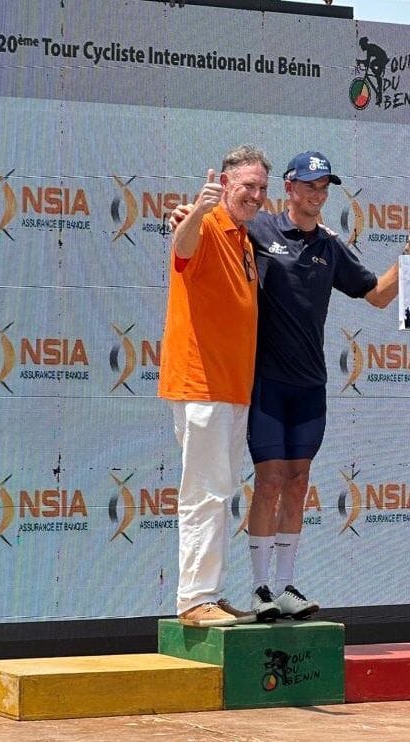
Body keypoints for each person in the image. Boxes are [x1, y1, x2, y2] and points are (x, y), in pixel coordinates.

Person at [171, 150, 410, 622]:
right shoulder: (249, 227)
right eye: (309, 185)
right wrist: (191, 213)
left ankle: (257, 588)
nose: (317, 194)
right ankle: (239, 591)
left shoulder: (322, 243)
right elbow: (188, 241)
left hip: (290, 384)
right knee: (251, 485)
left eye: (324, 186)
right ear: (289, 188)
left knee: (282, 485)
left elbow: (377, 295)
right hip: (250, 383)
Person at [158, 144, 271, 627]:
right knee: (204, 492)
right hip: (201, 384)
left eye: (262, 188)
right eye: (248, 186)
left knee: (220, 493)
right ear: (224, 184)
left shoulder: (242, 236)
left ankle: (209, 593)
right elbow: (182, 247)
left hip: (232, 387)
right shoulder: (202, 224)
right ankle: (194, 599)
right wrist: (197, 213)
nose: (256, 195)